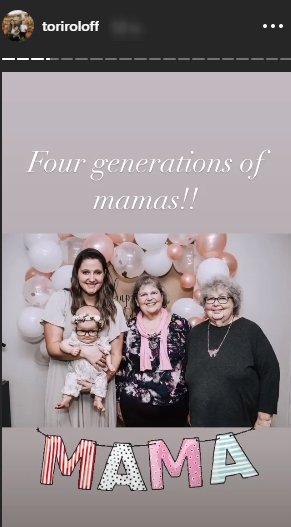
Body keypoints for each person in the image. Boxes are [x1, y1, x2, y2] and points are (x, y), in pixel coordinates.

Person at [42, 248, 128, 427]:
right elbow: (52, 347)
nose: (91, 278)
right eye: (85, 272)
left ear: (104, 274)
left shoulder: (114, 308)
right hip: (64, 384)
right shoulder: (60, 299)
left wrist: (99, 384)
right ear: (76, 274)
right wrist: (86, 353)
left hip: (99, 388)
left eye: (97, 272)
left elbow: (116, 355)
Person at [185, 276, 280, 428]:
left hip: (240, 421)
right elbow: (187, 375)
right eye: (210, 299)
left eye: (223, 298)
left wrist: (264, 416)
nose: (216, 304)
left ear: (234, 301)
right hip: (200, 421)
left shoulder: (250, 331)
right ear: (204, 304)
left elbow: (271, 371)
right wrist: (189, 410)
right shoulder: (195, 333)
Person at [116, 274, 190, 427]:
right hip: (134, 406)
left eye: (154, 293)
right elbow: (120, 367)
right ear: (137, 301)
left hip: (175, 406)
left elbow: (191, 364)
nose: (149, 298)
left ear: (162, 296)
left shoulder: (181, 325)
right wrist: (117, 400)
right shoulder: (128, 328)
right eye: (143, 294)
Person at [55, 305, 115, 413]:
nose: (87, 335)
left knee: (102, 380)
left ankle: (98, 399)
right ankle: (66, 398)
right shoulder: (74, 339)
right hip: (78, 374)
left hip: (97, 374)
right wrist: (70, 350)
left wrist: (110, 364)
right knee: (70, 378)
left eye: (92, 331)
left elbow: (107, 353)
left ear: (98, 329)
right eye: (82, 331)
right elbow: (62, 344)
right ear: (76, 328)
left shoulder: (101, 341)